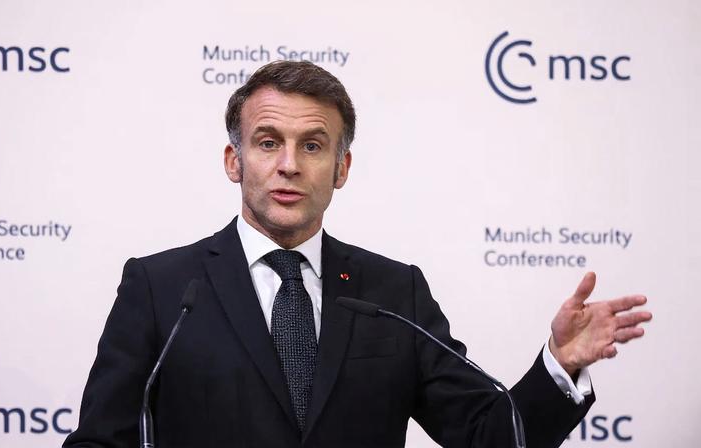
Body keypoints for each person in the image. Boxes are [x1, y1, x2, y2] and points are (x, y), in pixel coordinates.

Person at [63, 61, 651, 448]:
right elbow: (101, 440)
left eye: (312, 145)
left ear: (341, 168)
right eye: (268, 143)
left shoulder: (393, 293)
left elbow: (488, 437)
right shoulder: (163, 287)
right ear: (233, 161)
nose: (289, 164)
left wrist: (559, 365)